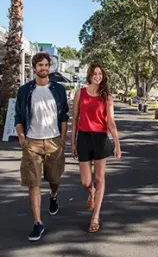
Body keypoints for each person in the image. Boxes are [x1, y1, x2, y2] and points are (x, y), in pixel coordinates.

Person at [15, 52, 69, 241]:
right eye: (40, 65)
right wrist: (22, 136)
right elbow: (18, 116)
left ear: (49, 67)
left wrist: (63, 138)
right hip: (32, 142)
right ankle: (38, 223)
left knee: (54, 178)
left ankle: (53, 196)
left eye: (46, 65)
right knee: (34, 183)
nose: (44, 68)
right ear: (34, 68)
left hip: (54, 141)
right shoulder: (25, 90)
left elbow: (64, 116)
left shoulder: (58, 89)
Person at [71, 64, 121, 233]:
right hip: (83, 138)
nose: (97, 76)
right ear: (89, 75)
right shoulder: (80, 93)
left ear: (103, 76)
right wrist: (72, 142)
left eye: (100, 73)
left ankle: (95, 217)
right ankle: (92, 192)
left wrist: (117, 144)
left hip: (100, 139)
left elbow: (111, 122)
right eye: (94, 73)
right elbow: (75, 119)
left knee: (100, 179)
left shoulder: (107, 97)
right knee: (85, 181)